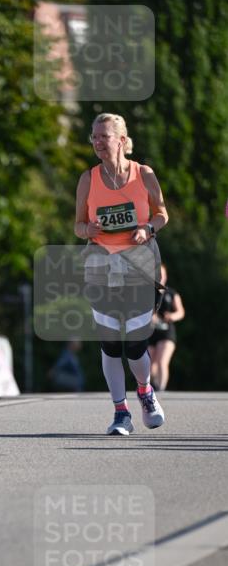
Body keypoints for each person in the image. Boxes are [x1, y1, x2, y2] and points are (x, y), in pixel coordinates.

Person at [75, 112, 168, 436]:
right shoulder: (89, 178)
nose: (99, 142)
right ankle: (120, 413)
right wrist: (88, 228)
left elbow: (162, 214)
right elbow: (77, 225)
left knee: (135, 346)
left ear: (122, 140)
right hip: (102, 265)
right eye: (95, 136)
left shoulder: (144, 174)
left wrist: (147, 229)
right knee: (111, 344)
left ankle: (144, 390)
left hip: (139, 264)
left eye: (105, 136)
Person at [148, 264, 184, 391]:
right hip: (151, 331)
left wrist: (172, 316)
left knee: (162, 361)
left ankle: (161, 390)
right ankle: (153, 387)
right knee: (150, 365)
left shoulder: (172, 293)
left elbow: (180, 312)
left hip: (167, 332)